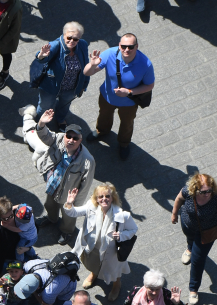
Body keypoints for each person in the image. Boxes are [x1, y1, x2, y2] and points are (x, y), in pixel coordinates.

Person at [21, 108, 95, 242]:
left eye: (75, 138)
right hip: (53, 185)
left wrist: (75, 204)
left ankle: (67, 231)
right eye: (69, 136)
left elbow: (86, 185)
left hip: (68, 196)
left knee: (68, 216)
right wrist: (41, 124)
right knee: (50, 205)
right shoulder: (60, 139)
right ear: (65, 135)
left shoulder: (87, 160)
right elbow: (45, 136)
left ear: (80, 140)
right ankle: (52, 218)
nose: (71, 140)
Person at [82, 33, 155, 160]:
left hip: (129, 103)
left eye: (131, 47)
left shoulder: (145, 64)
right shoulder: (110, 54)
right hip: (107, 97)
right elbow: (86, 73)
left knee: (127, 124)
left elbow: (149, 85)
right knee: (104, 115)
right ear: (119, 45)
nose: (127, 50)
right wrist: (92, 65)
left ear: (136, 46)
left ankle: (124, 144)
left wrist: (129, 92)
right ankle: (101, 131)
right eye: (124, 46)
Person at [172, 173, 217, 305]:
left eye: (210, 190)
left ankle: (193, 289)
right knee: (190, 240)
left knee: (198, 261)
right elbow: (179, 198)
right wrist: (174, 214)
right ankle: (190, 248)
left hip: (207, 233)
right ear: (195, 188)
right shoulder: (188, 191)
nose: (208, 193)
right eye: (204, 192)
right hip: (188, 226)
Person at [31, 23, 90, 129]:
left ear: (80, 38)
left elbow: (85, 66)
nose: (72, 41)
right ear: (64, 35)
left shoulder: (83, 45)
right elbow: (42, 58)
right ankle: (41, 123)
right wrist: (41, 56)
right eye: (69, 37)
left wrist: (83, 85)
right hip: (51, 87)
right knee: (45, 106)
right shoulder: (55, 45)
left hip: (71, 87)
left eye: (75, 39)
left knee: (65, 106)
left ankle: (60, 119)